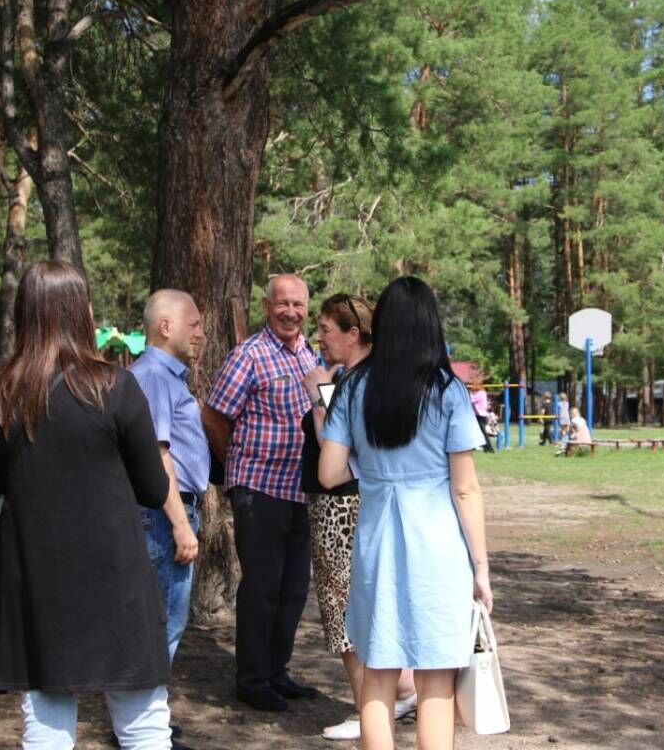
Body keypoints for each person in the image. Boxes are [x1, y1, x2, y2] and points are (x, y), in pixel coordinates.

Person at [0, 261, 173, 749]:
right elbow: (153, 489)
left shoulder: (0, 393)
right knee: (143, 721)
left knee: (46, 722)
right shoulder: (115, 386)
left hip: (35, 576)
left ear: (25, 313)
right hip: (113, 573)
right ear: (81, 311)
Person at [319, 276, 492, 750]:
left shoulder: (353, 389)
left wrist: (374, 470)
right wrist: (481, 568)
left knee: (378, 672)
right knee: (436, 678)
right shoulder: (447, 391)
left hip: (376, 544)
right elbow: (465, 489)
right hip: (437, 549)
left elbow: (329, 473)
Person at [299, 294, 417, 741]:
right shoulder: (376, 377)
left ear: (353, 334)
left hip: (341, 507)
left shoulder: (347, 383)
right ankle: (398, 692)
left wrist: (317, 394)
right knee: (362, 603)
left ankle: (367, 705)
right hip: (364, 503)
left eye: (327, 328)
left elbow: (331, 443)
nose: (320, 338)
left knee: (342, 607)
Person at [202, 273, 319, 712]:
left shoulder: (312, 356)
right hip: (260, 488)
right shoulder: (248, 355)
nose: (291, 311)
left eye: (299, 304)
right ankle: (251, 679)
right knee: (263, 587)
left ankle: (276, 670)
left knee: (293, 589)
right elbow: (214, 415)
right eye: (282, 303)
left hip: (301, 490)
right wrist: (238, 462)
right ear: (267, 306)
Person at [130, 290, 209, 749]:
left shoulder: (162, 376)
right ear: (166, 327)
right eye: (193, 323)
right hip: (164, 513)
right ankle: (143, 728)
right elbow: (158, 457)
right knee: (162, 621)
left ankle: (147, 719)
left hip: (167, 511)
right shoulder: (156, 377)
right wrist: (180, 524)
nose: (200, 333)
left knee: (164, 619)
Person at [469, 378, 494, 453]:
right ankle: (482, 446)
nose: (472, 386)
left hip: (481, 416)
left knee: (483, 432)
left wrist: (469, 393)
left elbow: (471, 400)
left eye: (473, 385)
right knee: (476, 431)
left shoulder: (481, 393)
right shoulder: (479, 393)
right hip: (477, 415)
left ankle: (489, 448)